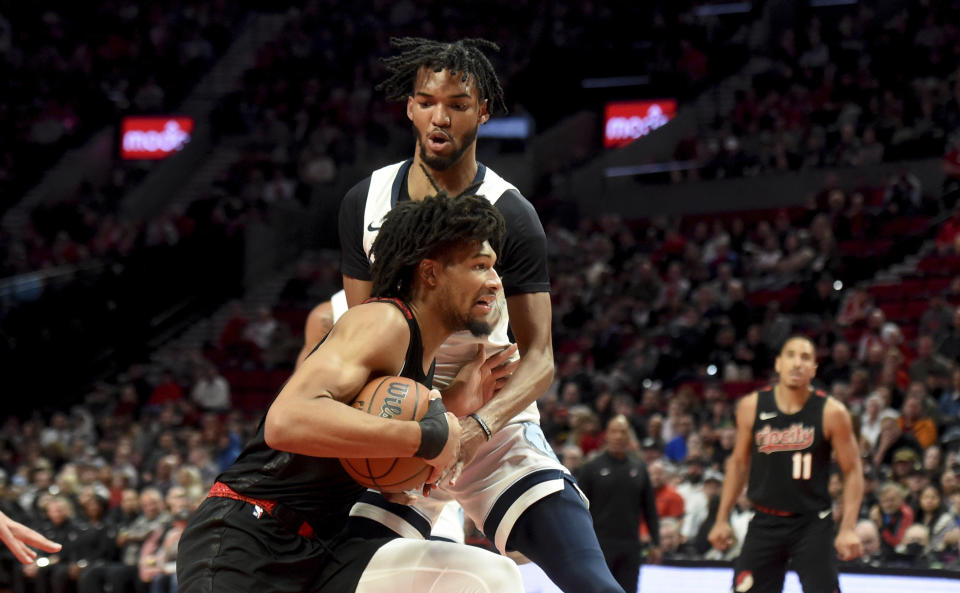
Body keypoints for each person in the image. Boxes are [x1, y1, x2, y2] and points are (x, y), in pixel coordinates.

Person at [333, 37, 625, 593]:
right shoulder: (364, 202)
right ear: (410, 106)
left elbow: (539, 360)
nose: (440, 116)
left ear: (483, 110)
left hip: (492, 419)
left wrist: (472, 428)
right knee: (346, 578)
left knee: (593, 583)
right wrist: (430, 418)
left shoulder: (512, 212)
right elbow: (360, 339)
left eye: (459, 104)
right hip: (401, 418)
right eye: (427, 100)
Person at [177, 193, 525, 593]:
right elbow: (287, 420)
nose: (495, 281)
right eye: (480, 266)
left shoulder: (421, 361)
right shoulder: (383, 321)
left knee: (489, 578)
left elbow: (368, 448)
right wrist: (427, 437)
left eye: (494, 267)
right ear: (431, 273)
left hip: (323, 551)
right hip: (249, 534)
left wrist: (449, 408)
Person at [708, 335, 863, 593]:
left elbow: (853, 469)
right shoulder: (751, 406)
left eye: (805, 358)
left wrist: (848, 528)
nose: (797, 363)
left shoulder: (832, 412)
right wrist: (721, 518)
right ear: (778, 364)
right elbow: (737, 464)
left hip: (812, 523)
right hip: (765, 521)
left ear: (814, 369)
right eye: (790, 355)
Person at [577, 415, 661, 593]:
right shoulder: (591, 468)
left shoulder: (639, 468)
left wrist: (656, 543)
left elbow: (650, 509)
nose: (618, 436)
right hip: (598, 545)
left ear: (628, 436)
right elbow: (578, 509)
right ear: (606, 435)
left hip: (630, 545)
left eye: (623, 431)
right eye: (614, 431)